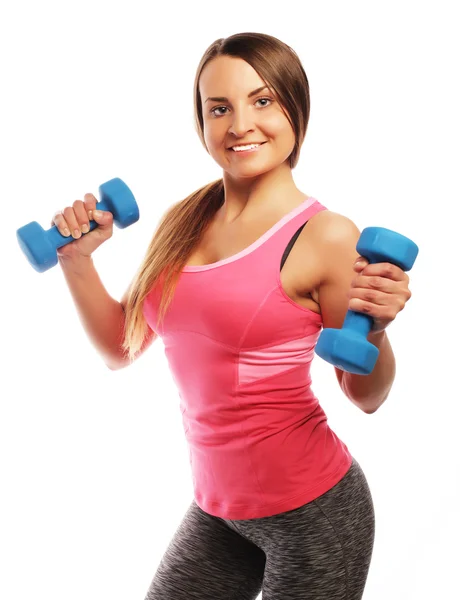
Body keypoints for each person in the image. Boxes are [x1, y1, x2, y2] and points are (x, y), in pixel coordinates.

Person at [52, 32, 413, 600]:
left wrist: (380, 329)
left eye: (262, 100)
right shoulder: (183, 221)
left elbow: (367, 395)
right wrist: (75, 259)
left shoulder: (327, 236)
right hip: (218, 512)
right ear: (201, 124)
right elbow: (120, 349)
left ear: (297, 108)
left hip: (315, 513)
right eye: (219, 108)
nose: (240, 123)